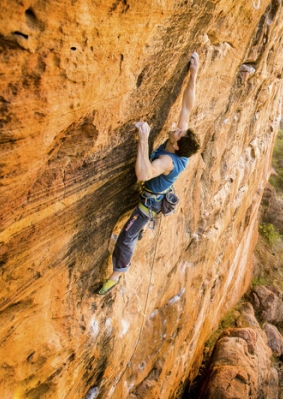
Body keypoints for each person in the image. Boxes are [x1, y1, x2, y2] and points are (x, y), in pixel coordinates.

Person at [98, 52, 201, 295]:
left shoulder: (168, 161)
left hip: (148, 205)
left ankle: (118, 273)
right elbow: (188, 105)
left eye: (178, 133)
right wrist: (194, 72)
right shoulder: (181, 146)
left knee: (127, 236)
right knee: (130, 233)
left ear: (176, 146)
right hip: (156, 195)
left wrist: (143, 138)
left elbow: (144, 174)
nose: (177, 129)